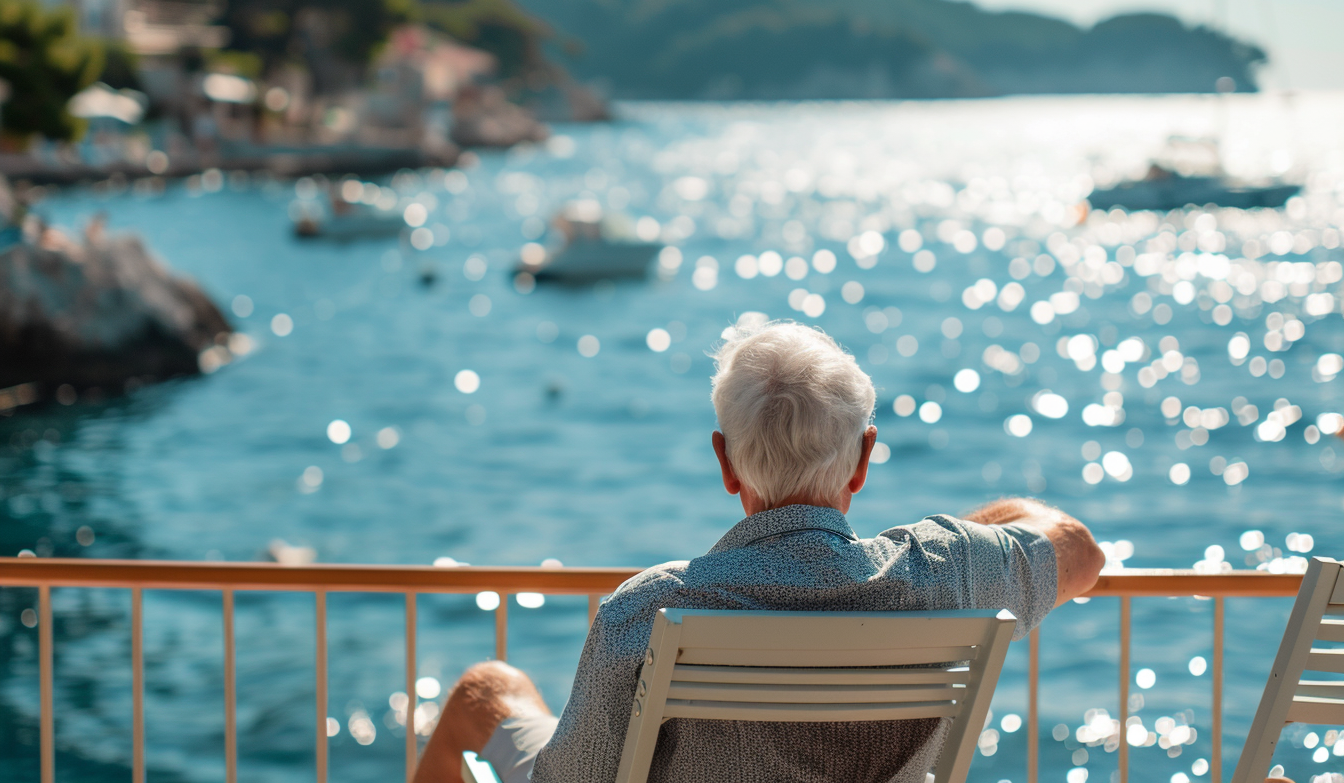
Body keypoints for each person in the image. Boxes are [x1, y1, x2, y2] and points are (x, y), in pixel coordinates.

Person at [414, 321, 1106, 783]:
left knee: (486, 691)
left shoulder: (648, 610)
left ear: (725, 462)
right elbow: (1079, 551)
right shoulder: (946, 573)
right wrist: (951, 545)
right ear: (863, 459)